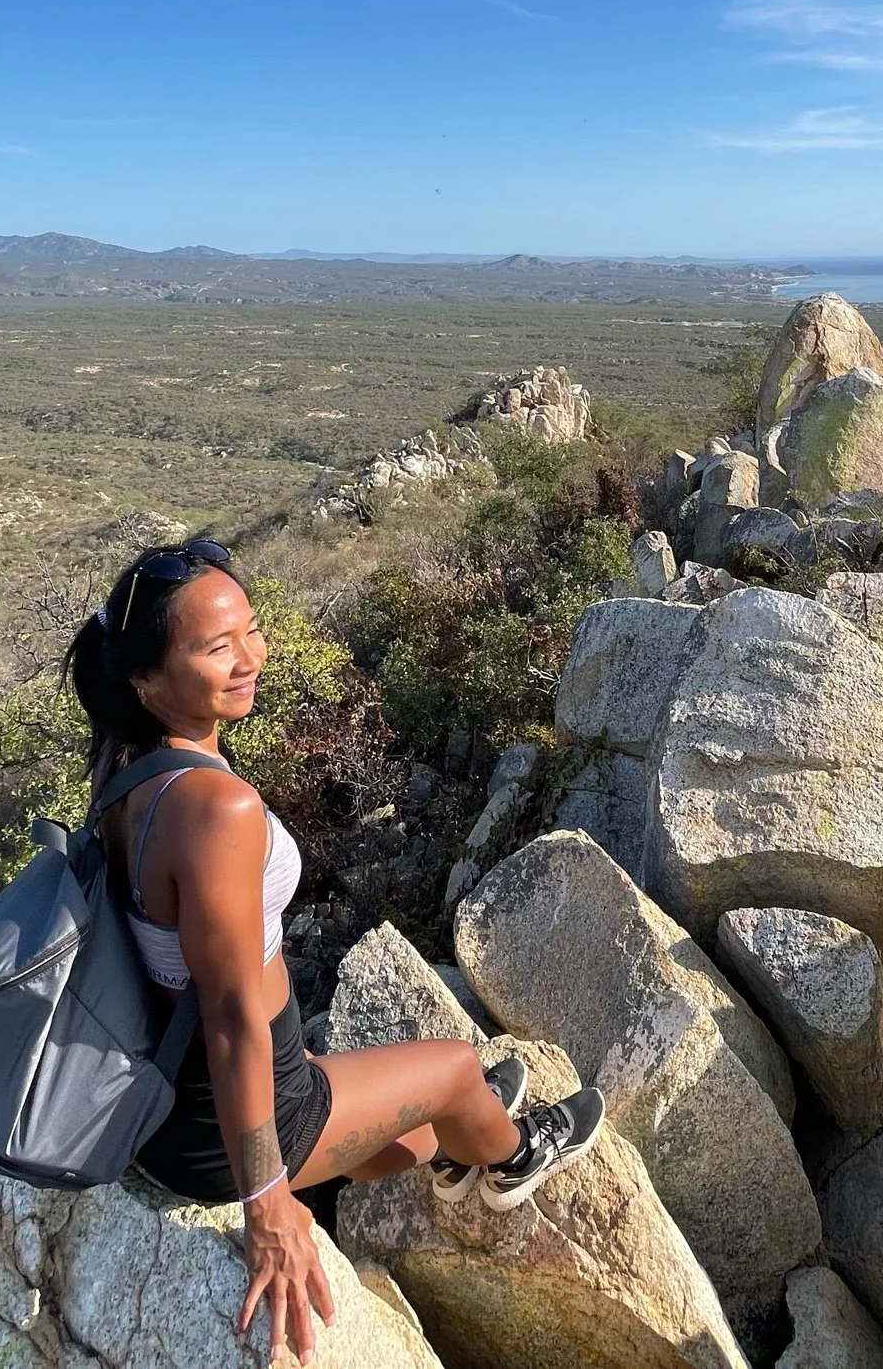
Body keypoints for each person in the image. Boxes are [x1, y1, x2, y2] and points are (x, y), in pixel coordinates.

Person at [63, 537, 604, 1359]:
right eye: (217, 647)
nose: (251, 657)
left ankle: (457, 1143)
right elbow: (237, 1017)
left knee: (417, 1135)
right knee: (458, 1066)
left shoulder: (126, 764)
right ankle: (514, 1155)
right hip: (240, 1113)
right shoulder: (214, 810)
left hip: (177, 1101)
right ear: (146, 677)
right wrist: (268, 1201)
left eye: (252, 630)